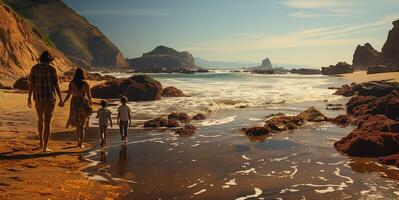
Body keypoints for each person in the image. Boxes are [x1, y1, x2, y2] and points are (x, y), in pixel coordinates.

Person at [28, 51, 64, 152]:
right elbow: (57, 85)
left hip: (38, 97)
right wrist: (61, 99)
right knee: (48, 122)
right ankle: (45, 147)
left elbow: (31, 84)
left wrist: (29, 98)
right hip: (50, 98)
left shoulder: (34, 68)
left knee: (40, 119)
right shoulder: (52, 69)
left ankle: (40, 142)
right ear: (50, 59)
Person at [63, 68, 93, 148]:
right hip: (83, 103)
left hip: (74, 104)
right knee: (82, 125)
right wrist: (91, 104)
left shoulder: (72, 83)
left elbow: (69, 94)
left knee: (77, 123)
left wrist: (63, 101)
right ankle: (81, 143)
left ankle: (78, 140)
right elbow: (89, 95)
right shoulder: (86, 83)